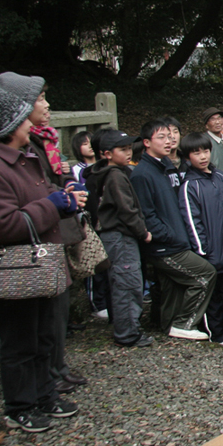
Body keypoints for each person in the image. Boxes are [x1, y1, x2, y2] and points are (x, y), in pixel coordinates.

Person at [0, 87, 83, 432]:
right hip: (18, 268)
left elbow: (40, 195)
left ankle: (45, 394)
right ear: (10, 124)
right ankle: (20, 405)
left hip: (44, 263)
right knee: (20, 341)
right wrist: (53, 205)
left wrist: (63, 196)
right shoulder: (3, 166)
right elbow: (6, 224)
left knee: (46, 335)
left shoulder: (29, 156)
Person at [130, 119, 217, 340]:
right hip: (164, 245)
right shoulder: (142, 173)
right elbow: (146, 214)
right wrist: (169, 235)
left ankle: (168, 324)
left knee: (172, 285)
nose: (169, 141)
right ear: (147, 142)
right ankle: (184, 323)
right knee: (205, 274)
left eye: (170, 137)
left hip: (176, 239)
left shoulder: (167, 166)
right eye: (162, 137)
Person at [88, 130, 154, 348]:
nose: (128, 153)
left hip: (118, 235)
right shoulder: (115, 175)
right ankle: (127, 333)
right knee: (127, 283)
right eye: (122, 149)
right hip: (119, 235)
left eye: (129, 148)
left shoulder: (114, 172)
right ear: (107, 153)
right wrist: (142, 231)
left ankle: (127, 327)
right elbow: (126, 209)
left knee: (125, 281)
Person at [178, 132, 223, 347]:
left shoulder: (219, 177)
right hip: (212, 251)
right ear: (187, 157)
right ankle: (217, 333)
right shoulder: (190, 185)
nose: (203, 156)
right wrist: (202, 250)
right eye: (196, 153)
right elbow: (191, 220)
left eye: (205, 150)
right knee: (215, 297)